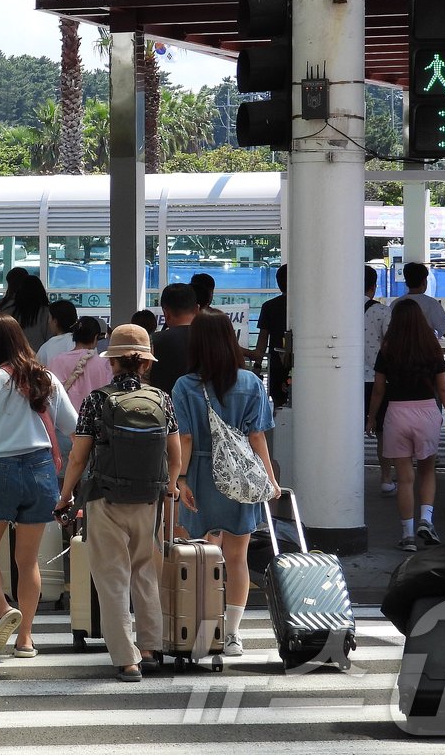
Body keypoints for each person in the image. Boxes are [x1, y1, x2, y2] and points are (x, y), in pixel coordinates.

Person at [54, 323, 179, 681]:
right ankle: (152, 648)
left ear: (113, 363)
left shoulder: (97, 399)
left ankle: (127, 659)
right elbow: (174, 452)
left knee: (112, 580)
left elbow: (78, 457)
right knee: (145, 573)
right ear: (144, 364)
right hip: (149, 500)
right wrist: (169, 488)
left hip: (106, 499)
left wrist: (65, 498)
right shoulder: (161, 399)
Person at [0, 314, 77, 658]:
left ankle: (4, 610)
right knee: (28, 561)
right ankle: (25, 639)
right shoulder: (46, 379)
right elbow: (75, 430)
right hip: (40, 473)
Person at [171, 308, 279, 657]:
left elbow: (184, 440)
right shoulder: (250, 382)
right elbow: (258, 437)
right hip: (240, 477)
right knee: (237, 558)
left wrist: (180, 479)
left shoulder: (185, 386)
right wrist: (270, 480)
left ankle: (202, 627)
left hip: (200, 474)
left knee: (199, 555)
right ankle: (231, 635)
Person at [367, 298, 445, 552]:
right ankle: (426, 520)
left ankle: (407, 536)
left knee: (405, 478)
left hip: (397, 413)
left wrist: (372, 418)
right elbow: (443, 388)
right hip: (427, 411)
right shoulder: (432, 347)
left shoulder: (388, 349)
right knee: (428, 470)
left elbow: (378, 390)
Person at [363, 266, 395, 496]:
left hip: (345, 382)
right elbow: (390, 346)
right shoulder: (383, 312)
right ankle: (385, 477)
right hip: (377, 379)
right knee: (382, 430)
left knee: (346, 429)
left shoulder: (339, 310)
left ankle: (343, 472)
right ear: (373, 288)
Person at [47, 316, 113, 412]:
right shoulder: (105, 364)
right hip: (95, 420)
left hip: (65, 422)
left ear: (74, 336)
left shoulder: (56, 361)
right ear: (95, 338)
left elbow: (49, 395)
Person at [399, 262, 445, 351]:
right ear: (424, 282)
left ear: (406, 282)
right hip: (425, 352)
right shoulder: (432, 304)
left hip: (400, 351)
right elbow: (444, 328)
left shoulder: (396, 304)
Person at [248, 264, 289, 406]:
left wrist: (257, 365)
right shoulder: (306, 306)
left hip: (277, 364)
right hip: (304, 364)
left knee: (279, 405)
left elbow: (263, 338)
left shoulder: (269, 306)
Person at [149, 283, 198, 394]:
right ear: (197, 309)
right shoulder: (213, 339)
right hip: (207, 409)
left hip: (164, 408)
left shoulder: (153, 341)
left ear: (166, 313)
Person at [6, 275, 52, 351]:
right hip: (38, 358)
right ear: (41, 292)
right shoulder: (47, 313)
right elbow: (50, 340)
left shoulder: (9, 312)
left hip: (15, 358)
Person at [36, 299, 79, 366]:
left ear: (55, 321)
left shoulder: (46, 348)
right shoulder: (82, 342)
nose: (48, 322)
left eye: (49, 318)